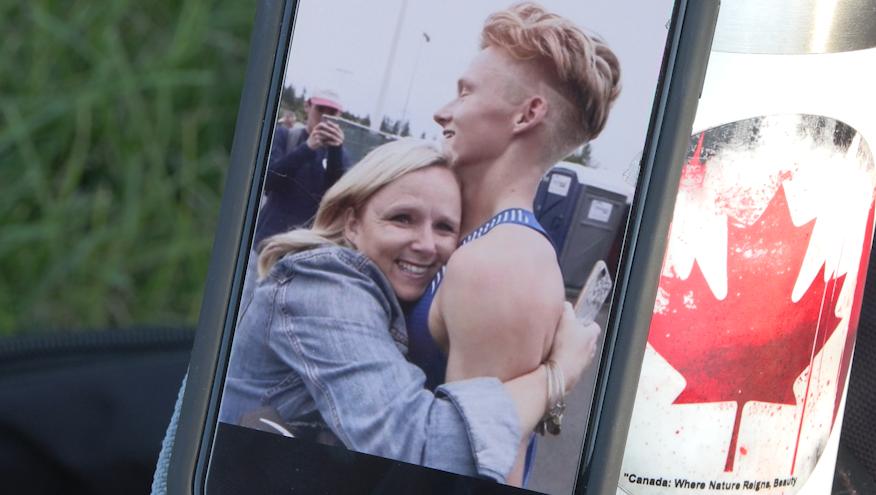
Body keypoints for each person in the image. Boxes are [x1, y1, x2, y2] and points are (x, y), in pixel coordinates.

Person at [219, 139, 597, 483]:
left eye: (446, 227)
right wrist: (558, 375)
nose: (427, 245)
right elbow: (422, 447)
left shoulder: (393, 294)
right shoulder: (322, 287)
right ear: (352, 224)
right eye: (402, 218)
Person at [407, 2, 621, 484]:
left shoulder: (503, 263)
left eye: (465, 92)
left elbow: (479, 466)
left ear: (527, 114)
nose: (443, 110)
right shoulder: (469, 239)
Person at [253, 87, 352, 247]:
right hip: (267, 242)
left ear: (338, 116)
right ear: (307, 107)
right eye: (319, 109)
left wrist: (335, 151)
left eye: (331, 113)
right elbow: (266, 181)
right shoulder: (284, 136)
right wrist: (307, 148)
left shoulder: (341, 155)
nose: (323, 117)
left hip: (304, 250)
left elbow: (339, 201)